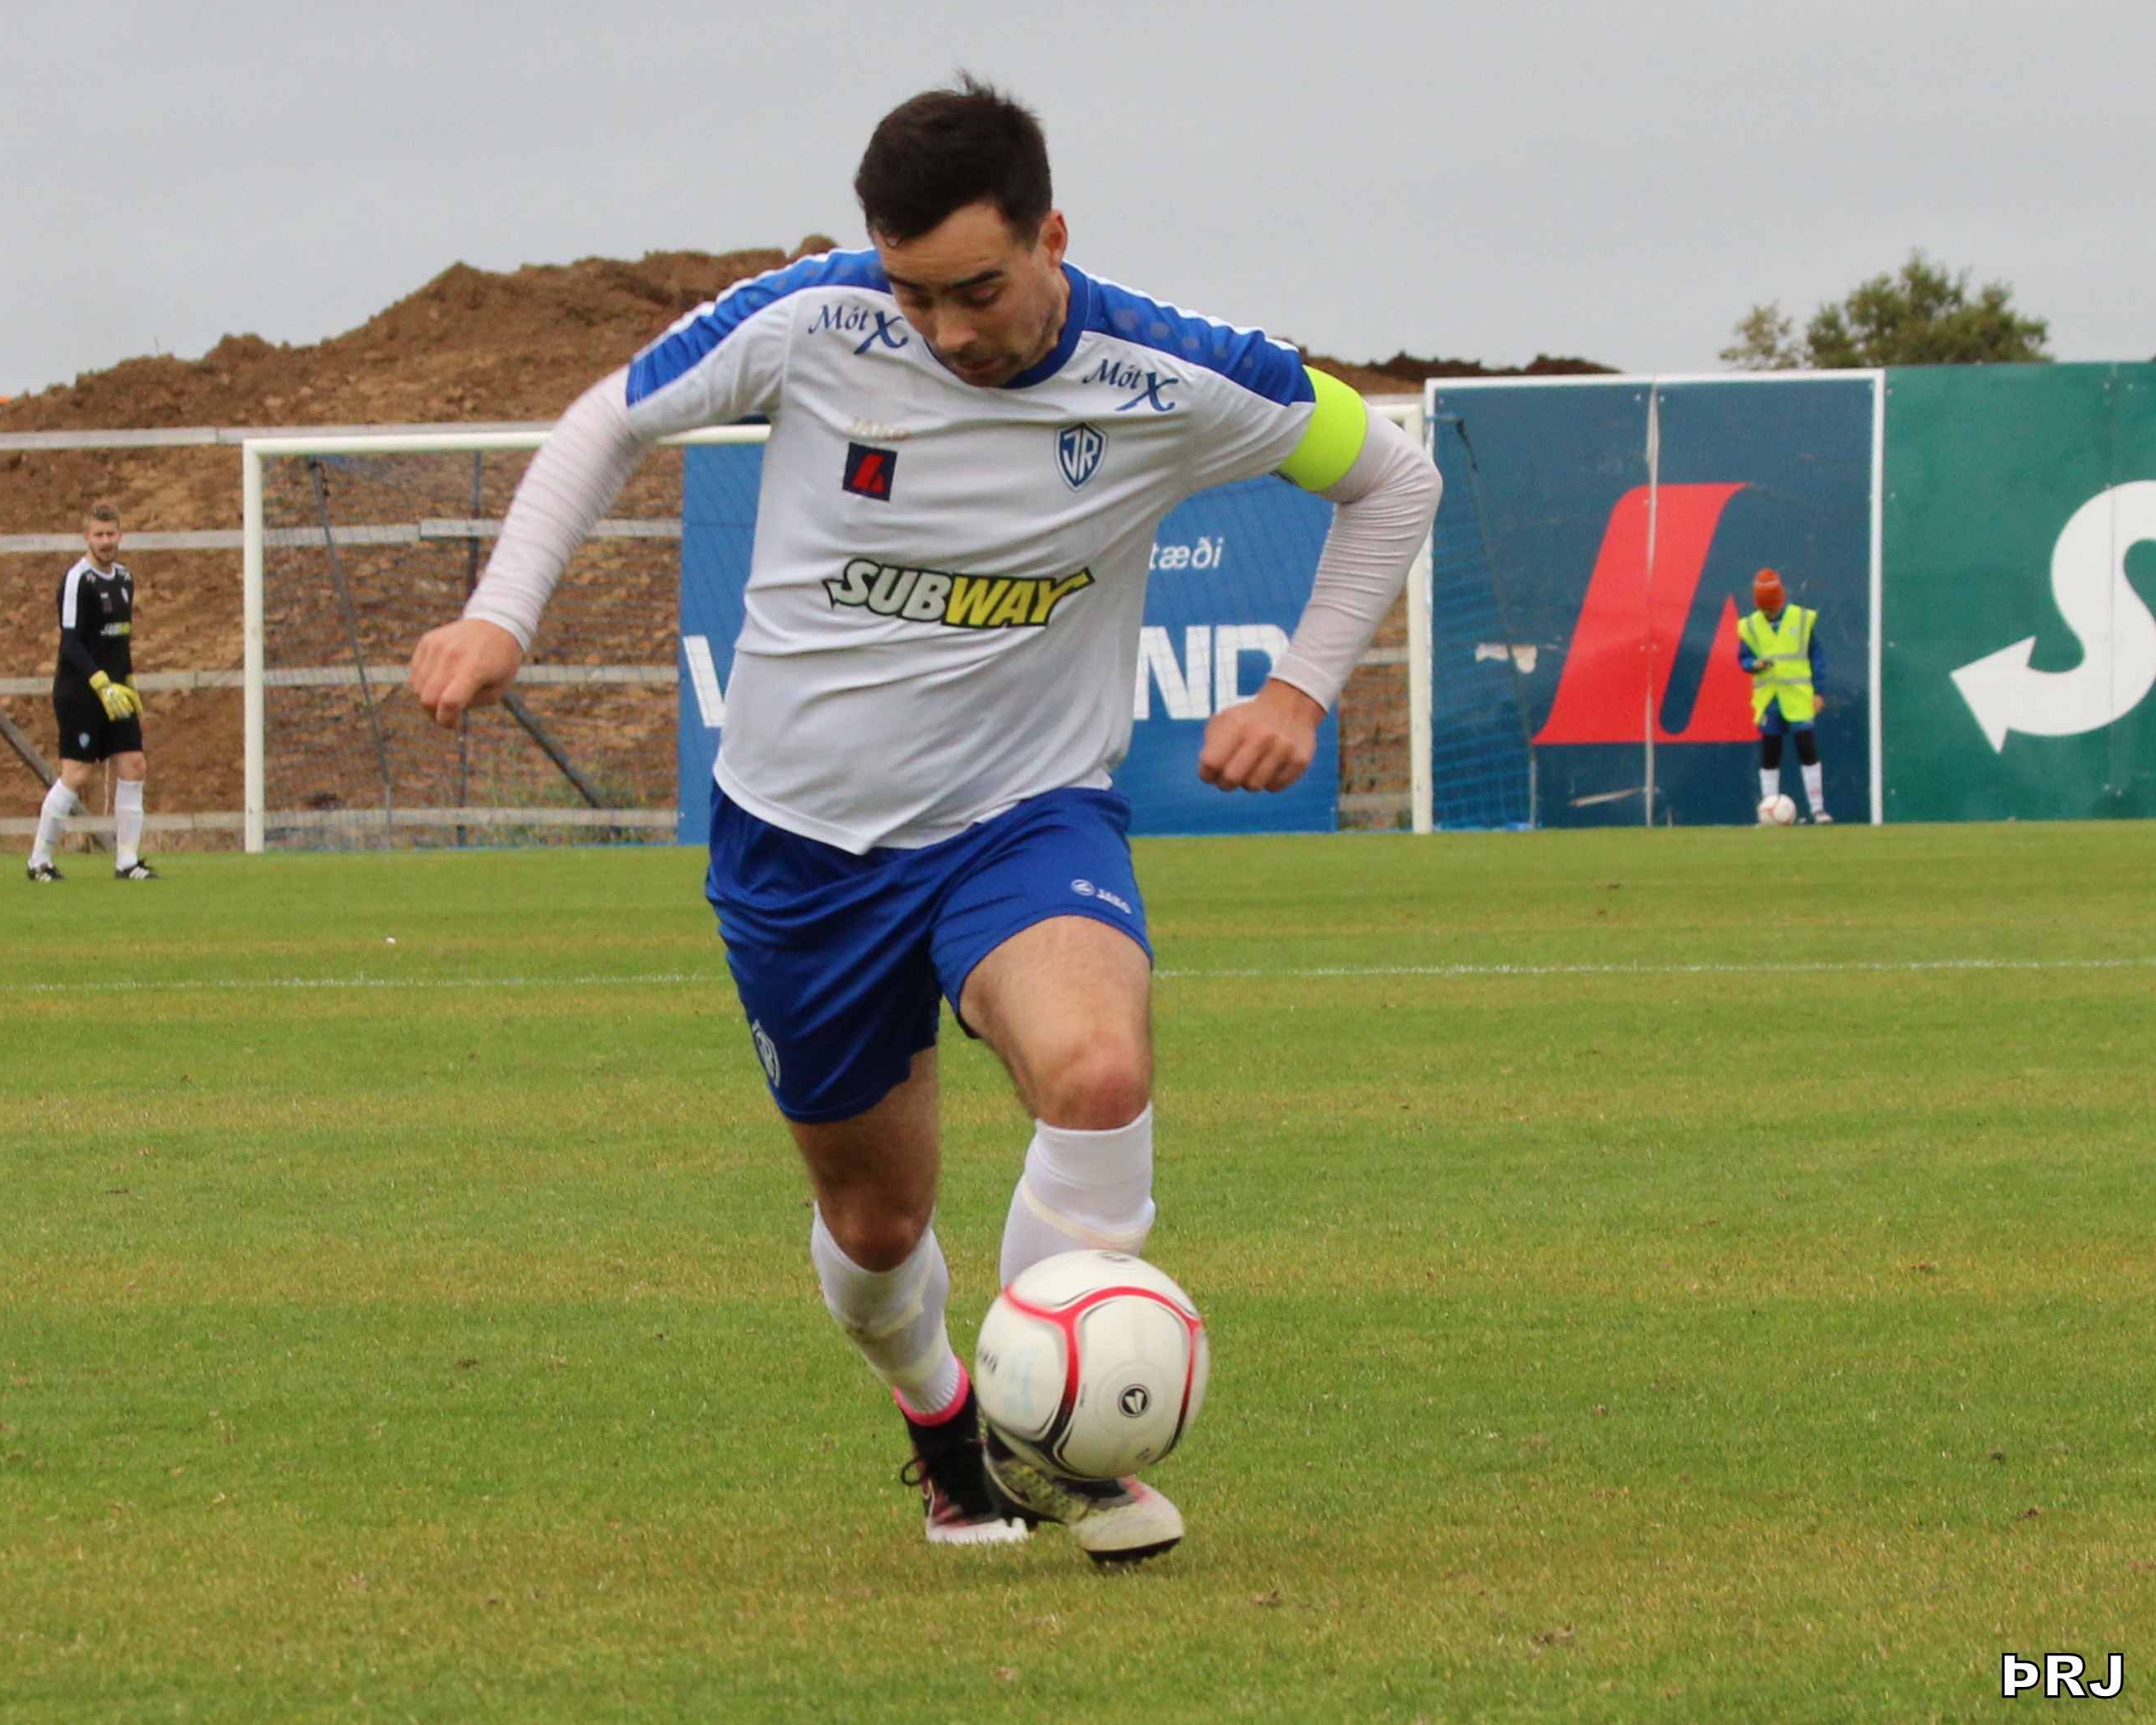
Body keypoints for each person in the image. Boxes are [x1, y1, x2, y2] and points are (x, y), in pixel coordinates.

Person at [410, 79, 1438, 1562]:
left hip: (1024, 816)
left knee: (1096, 1071)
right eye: (914, 293)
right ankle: (940, 1415)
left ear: (1051, 237)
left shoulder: (1175, 369)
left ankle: (1043, 1434)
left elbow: (1391, 476)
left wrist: (1298, 684)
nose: (946, 331)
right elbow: (605, 420)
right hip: (799, 846)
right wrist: (503, 612)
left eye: (978, 289)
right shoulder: (811, 320)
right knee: (878, 1226)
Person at [26, 502, 157, 880]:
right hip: (81, 692)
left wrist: (128, 683)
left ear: (120, 535)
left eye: (110, 534)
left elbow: (120, 641)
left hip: (116, 693)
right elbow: (71, 642)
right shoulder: (77, 580)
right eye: (98, 535)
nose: (105, 541)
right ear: (86, 537)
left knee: (134, 765)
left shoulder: (125, 579)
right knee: (77, 773)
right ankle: (39, 861)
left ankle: (127, 861)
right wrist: (100, 682)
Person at [1740, 567, 1828, 823]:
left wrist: (1818, 691)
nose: (1770, 612)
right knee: (1771, 751)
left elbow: (1816, 656)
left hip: (1798, 696)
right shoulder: (1751, 626)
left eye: (1773, 607)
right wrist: (1753, 664)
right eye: (1765, 609)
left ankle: (1818, 809)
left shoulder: (1800, 619)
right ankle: (1768, 808)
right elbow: (1743, 658)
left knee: (1806, 748)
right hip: (1770, 698)